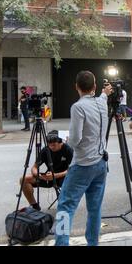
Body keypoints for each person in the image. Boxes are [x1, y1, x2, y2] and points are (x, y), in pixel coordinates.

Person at [55, 71, 112, 246]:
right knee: (94, 209)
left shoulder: (78, 107)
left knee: (65, 208)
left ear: (76, 87)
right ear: (94, 87)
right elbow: (103, 97)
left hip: (82, 165)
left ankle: (62, 243)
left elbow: (74, 140)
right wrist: (106, 92)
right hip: (101, 164)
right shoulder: (102, 103)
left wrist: (67, 140)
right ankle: (92, 243)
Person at [19, 131, 73, 211]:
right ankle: (34, 205)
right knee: (23, 179)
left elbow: (72, 170)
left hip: (63, 177)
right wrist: (39, 175)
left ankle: (64, 207)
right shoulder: (46, 150)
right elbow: (34, 167)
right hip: (48, 177)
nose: (51, 147)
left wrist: (55, 175)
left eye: (54, 145)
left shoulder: (68, 150)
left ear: (60, 142)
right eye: (49, 145)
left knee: (69, 182)